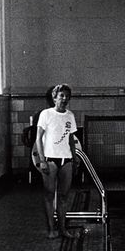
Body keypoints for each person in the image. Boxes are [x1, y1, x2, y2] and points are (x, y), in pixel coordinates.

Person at [34, 83, 78, 239]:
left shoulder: (70, 116)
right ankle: (51, 229)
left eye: (67, 96)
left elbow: (71, 139)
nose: (64, 99)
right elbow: (38, 138)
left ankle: (63, 229)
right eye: (61, 96)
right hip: (50, 160)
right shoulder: (46, 114)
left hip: (66, 159)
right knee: (49, 194)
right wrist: (42, 160)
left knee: (64, 196)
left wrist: (74, 159)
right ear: (54, 97)